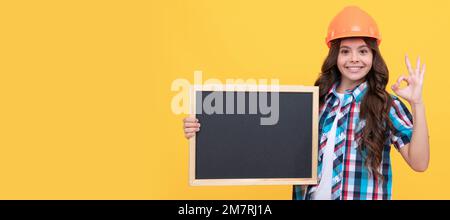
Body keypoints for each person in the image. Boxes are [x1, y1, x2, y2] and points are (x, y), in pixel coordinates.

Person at [182, 6, 430, 200]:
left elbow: (419, 163)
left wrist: (417, 104)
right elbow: (259, 140)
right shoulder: (314, 101)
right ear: (335, 56)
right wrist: (207, 130)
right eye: (345, 51)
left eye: (363, 51)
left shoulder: (386, 105)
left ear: (373, 56)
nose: (354, 59)